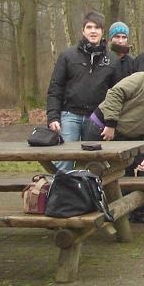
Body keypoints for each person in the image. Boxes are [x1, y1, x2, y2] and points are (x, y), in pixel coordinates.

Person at [46, 11, 118, 170]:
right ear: (83, 31)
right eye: (89, 27)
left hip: (96, 118)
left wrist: (111, 122)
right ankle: (61, 187)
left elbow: (116, 95)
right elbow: (55, 88)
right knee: (64, 160)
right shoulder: (68, 55)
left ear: (102, 31)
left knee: (91, 164)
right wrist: (52, 117)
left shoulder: (112, 60)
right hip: (69, 115)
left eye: (97, 28)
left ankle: (86, 188)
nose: (93, 31)